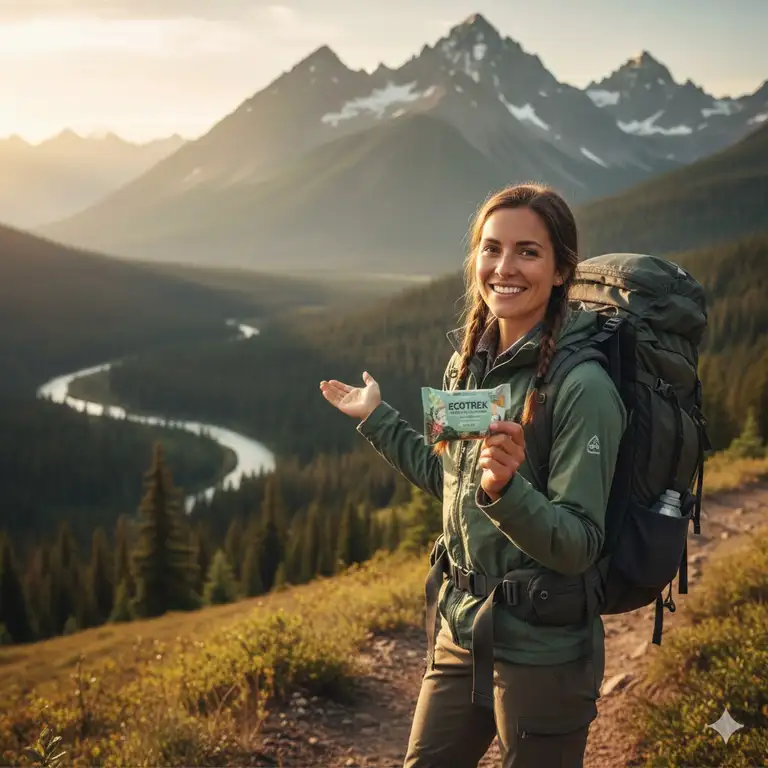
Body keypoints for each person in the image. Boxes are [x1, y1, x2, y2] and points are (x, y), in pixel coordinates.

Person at [319, 183, 627, 768]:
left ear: (562, 270)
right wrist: (378, 419)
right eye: (491, 249)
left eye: (528, 252)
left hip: (543, 652)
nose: (503, 268)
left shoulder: (583, 389)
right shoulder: (469, 364)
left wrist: (507, 492)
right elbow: (451, 485)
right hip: (461, 633)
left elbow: (579, 544)